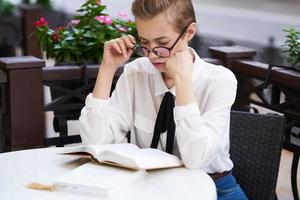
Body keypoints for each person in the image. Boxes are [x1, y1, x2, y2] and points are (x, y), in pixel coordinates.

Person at [79, 0, 247, 199]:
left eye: (163, 44)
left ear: (189, 32)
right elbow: (96, 142)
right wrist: (107, 69)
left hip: (213, 186)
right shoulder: (136, 73)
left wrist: (183, 81)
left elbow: (196, 159)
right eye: (145, 44)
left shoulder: (219, 81)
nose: (152, 55)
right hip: (148, 187)